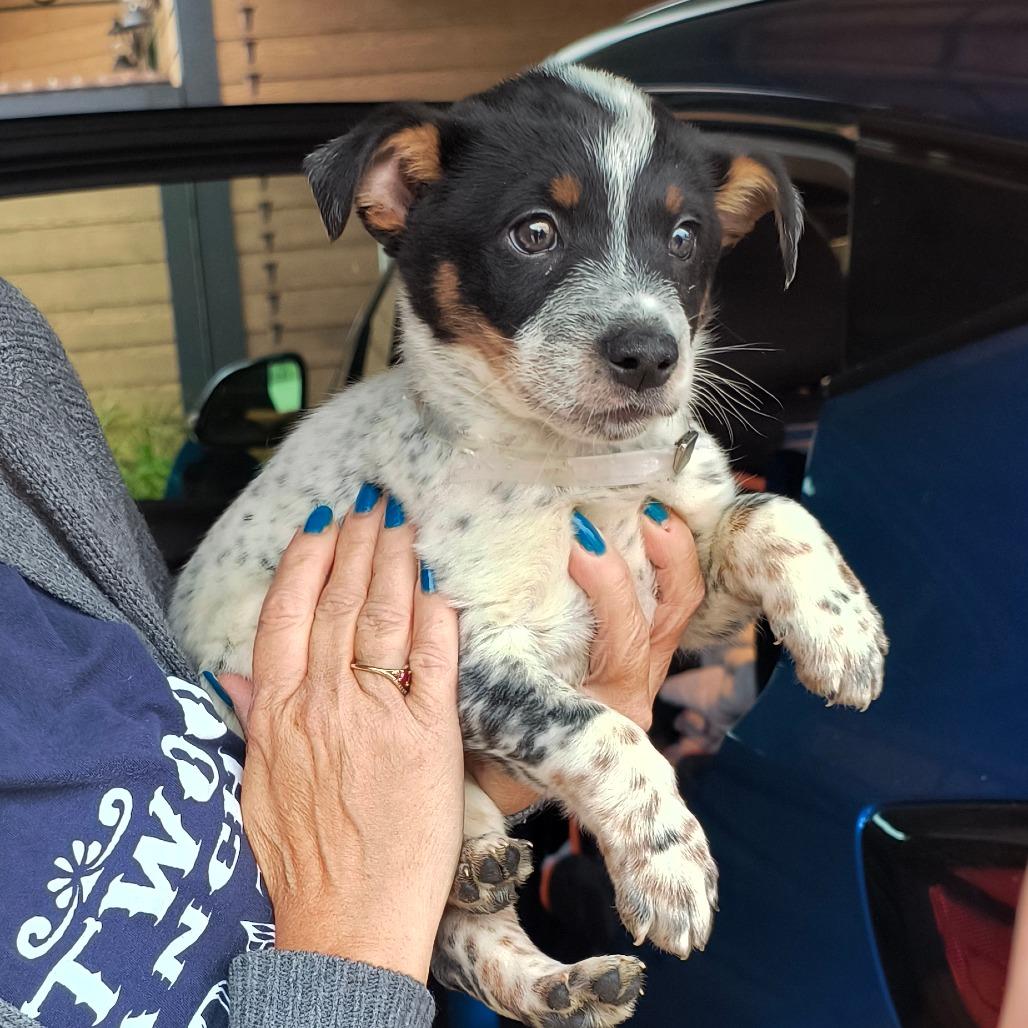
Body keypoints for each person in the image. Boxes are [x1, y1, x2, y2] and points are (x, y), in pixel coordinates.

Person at [0, 277, 705, 1028]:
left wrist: (466, 792)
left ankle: (505, 965)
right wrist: (353, 955)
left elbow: (318, 771)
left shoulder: (11, 365)